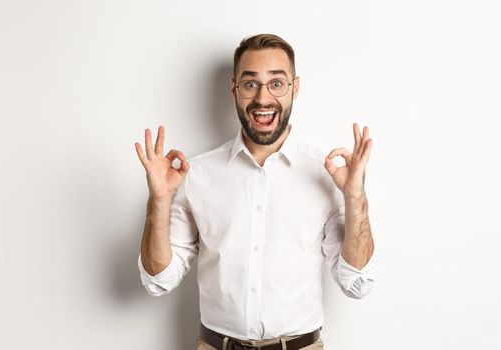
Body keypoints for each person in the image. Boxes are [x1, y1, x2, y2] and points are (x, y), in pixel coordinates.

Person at [134, 33, 376, 350]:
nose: (263, 98)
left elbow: (356, 283)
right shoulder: (196, 174)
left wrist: (355, 197)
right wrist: (159, 201)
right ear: (235, 89)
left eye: (276, 83)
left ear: (295, 88)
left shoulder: (326, 173)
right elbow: (158, 281)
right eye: (251, 84)